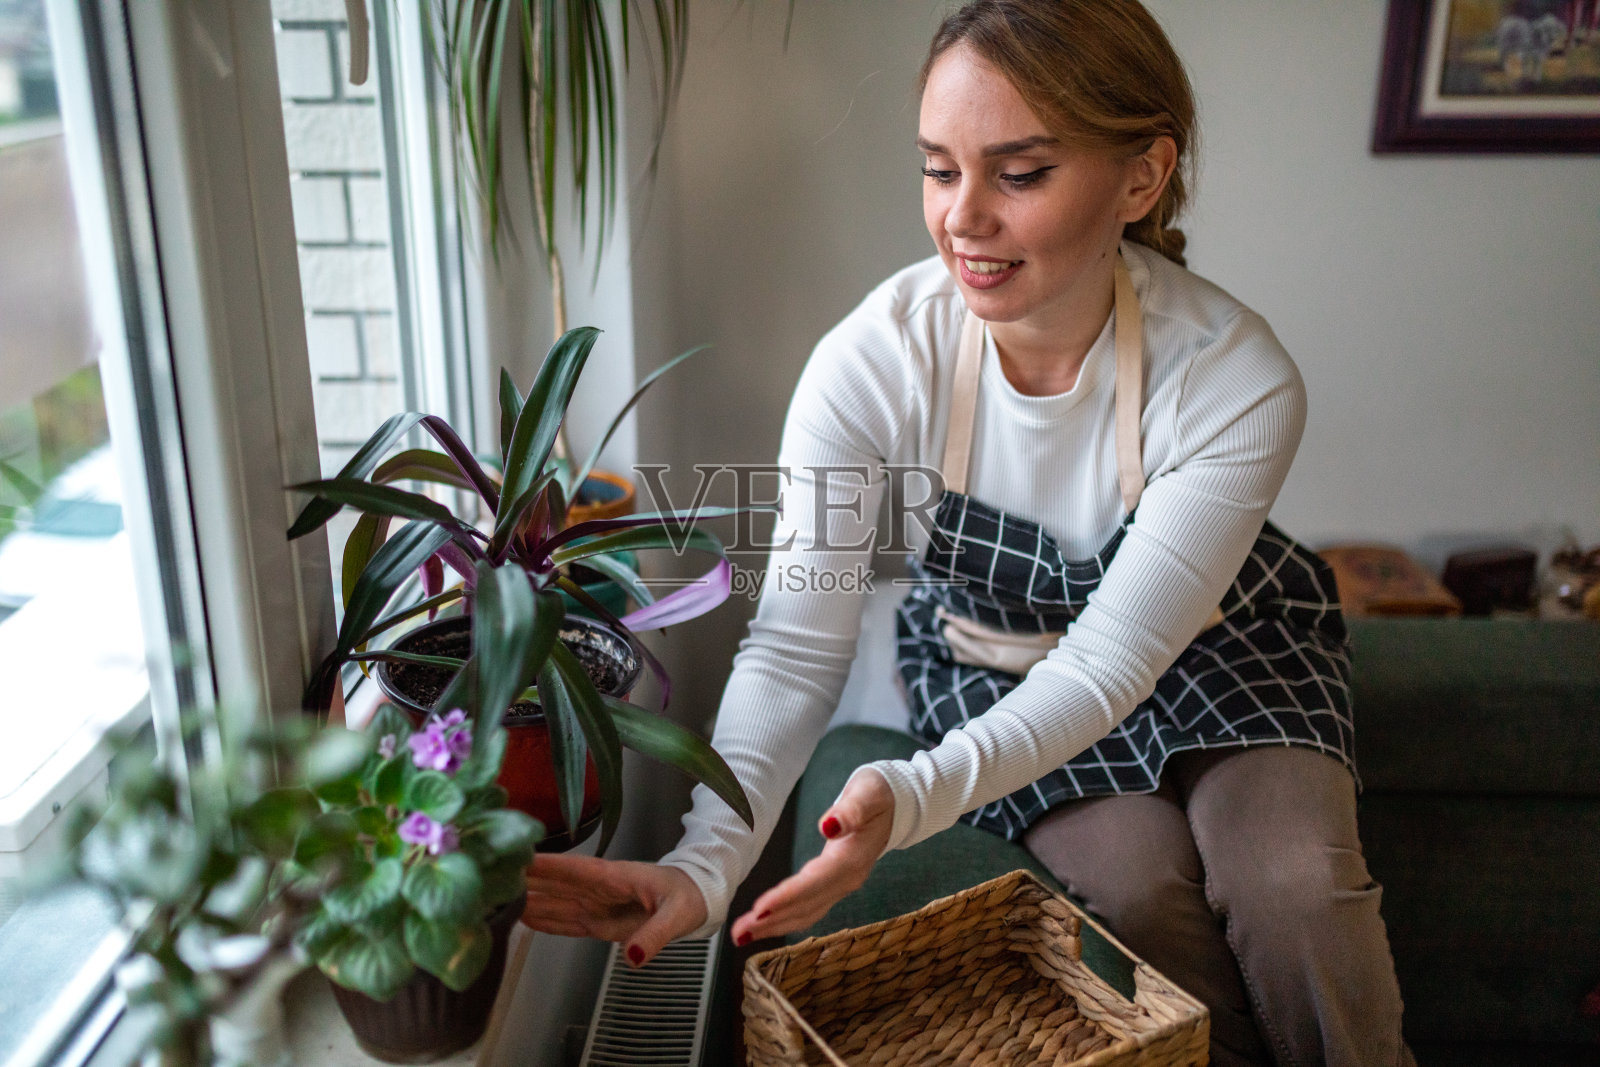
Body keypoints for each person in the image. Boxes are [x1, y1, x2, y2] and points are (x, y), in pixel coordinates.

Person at [525, 2, 1412, 1064]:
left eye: (1020, 172)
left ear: (1141, 177)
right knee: (1138, 887)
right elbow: (800, 643)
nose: (962, 219)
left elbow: (1115, 657)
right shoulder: (870, 365)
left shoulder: (1231, 375)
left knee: (1293, 885)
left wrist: (913, 792)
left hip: (1220, 646)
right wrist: (705, 862)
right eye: (940, 170)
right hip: (996, 661)